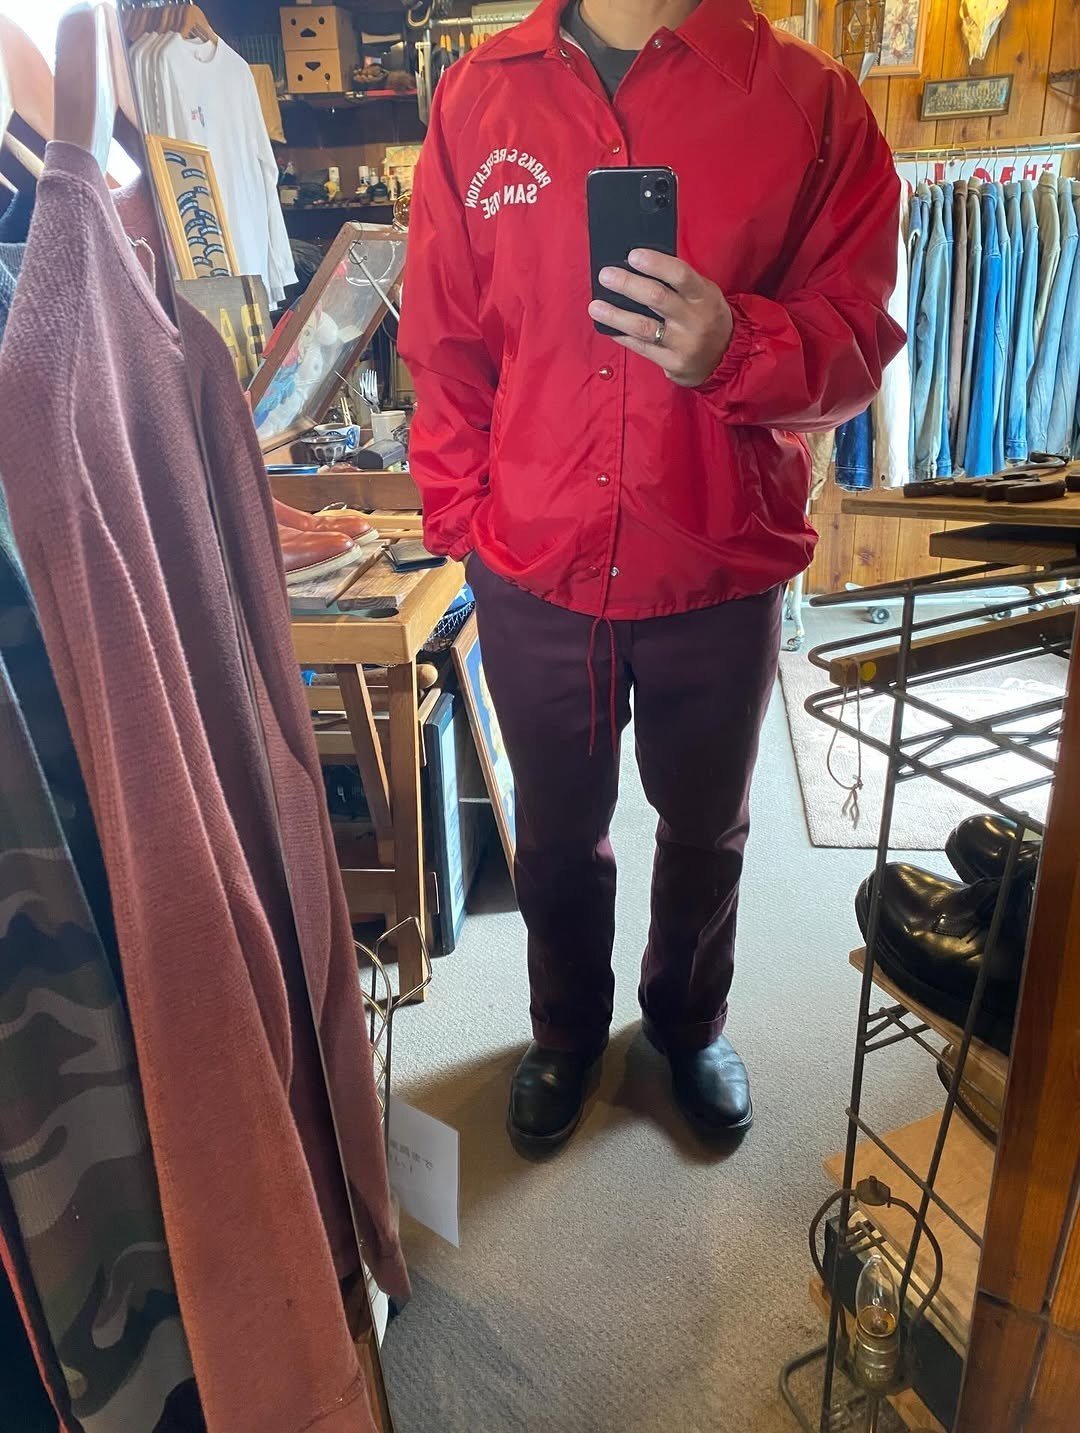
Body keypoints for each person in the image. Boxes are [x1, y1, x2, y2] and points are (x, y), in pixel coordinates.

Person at [399, 0, 903, 1155]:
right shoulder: (480, 98)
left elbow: (858, 340)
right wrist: (465, 521)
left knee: (708, 825)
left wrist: (735, 345)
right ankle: (565, 1029)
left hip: (717, 561)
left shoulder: (812, 105)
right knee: (555, 829)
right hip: (535, 563)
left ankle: (686, 1021)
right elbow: (445, 340)